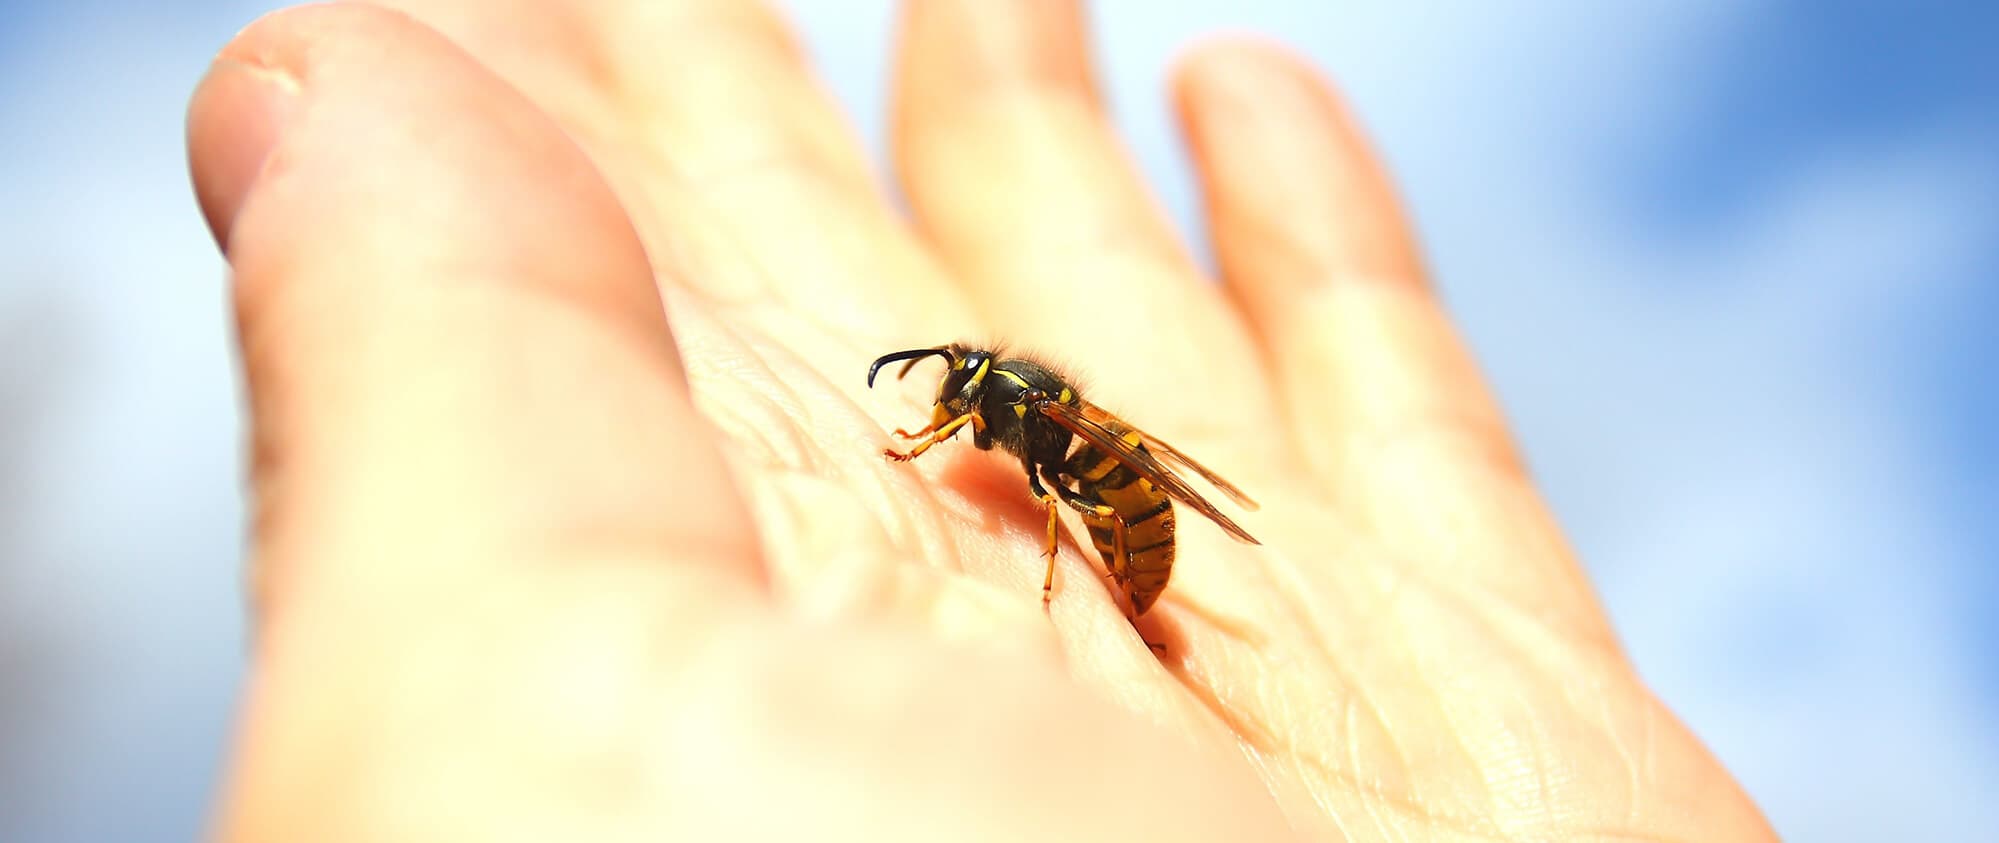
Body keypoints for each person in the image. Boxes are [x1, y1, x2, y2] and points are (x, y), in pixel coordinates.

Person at [185, 1, 1776, 840]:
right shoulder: (1011, 408)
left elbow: (1098, 484)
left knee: (1101, 501)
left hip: (1130, 550)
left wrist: (1081, 560)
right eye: (953, 404)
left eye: (956, 400)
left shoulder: (1044, 441)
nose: (954, 412)